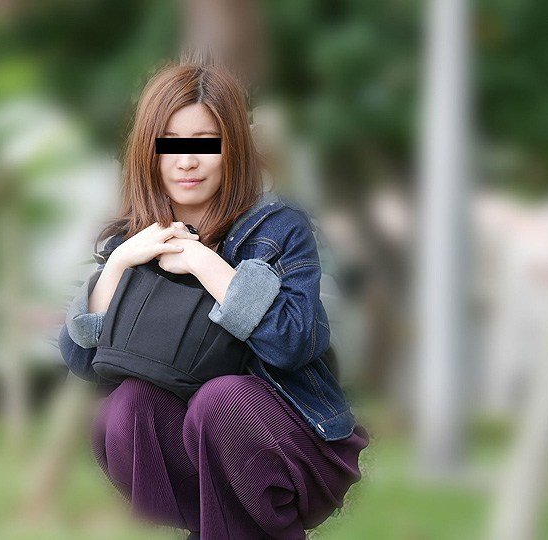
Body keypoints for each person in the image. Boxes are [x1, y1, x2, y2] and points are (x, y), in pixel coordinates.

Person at [57, 61, 368, 540]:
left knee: (219, 402)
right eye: (170, 143)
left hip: (292, 444)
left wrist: (205, 263)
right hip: (191, 454)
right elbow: (82, 360)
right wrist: (118, 264)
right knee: (127, 406)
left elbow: (291, 344)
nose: (187, 161)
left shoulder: (279, 229)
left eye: (205, 143)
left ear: (232, 149)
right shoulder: (135, 239)